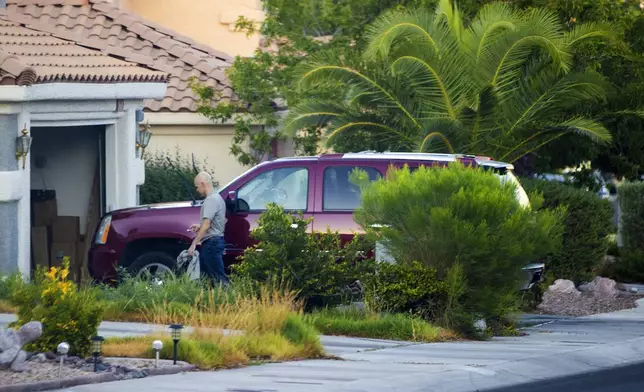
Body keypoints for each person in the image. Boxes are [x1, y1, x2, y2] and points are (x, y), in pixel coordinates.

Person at [188, 171, 229, 285]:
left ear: (202, 184)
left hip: (211, 243)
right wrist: (199, 226)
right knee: (209, 278)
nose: (197, 190)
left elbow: (207, 224)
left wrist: (194, 243)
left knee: (218, 278)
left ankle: (231, 300)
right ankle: (213, 301)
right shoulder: (218, 198)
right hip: (216, 242)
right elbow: (216, 222)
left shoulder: (211, 200)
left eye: (197, 187)